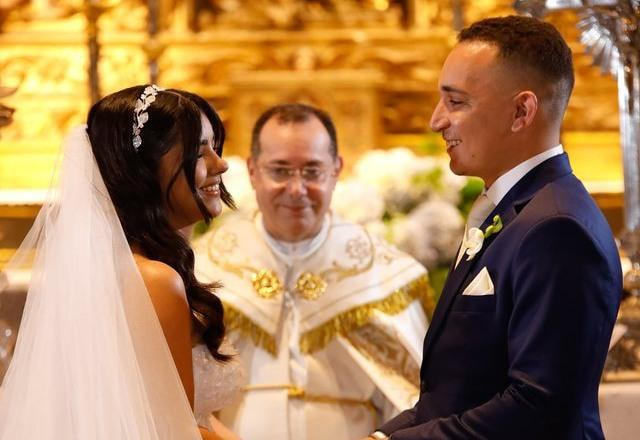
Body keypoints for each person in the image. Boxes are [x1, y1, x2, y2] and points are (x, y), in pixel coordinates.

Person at [365, 16, 623, 440]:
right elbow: (452, 393)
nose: (436, 121)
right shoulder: (516, 210)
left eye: (456, 102)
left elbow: (538, 407)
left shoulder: (556, 227)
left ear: (521, 111)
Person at [0, 85, 241, 440]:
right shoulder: (155, 282)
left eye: (215, 148)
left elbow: (197, 418)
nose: (221, 163)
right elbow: (174, 432)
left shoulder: (117, 270)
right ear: (143, 171)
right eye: (199, 150)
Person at [193, 103, 432, 440]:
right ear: (252, 171)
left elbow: (414, 399)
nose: (296, 189)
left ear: (336, 170)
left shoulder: (386, 275)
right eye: (279, 170)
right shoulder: (202, 269)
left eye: (312, 171)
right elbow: (182, 396)